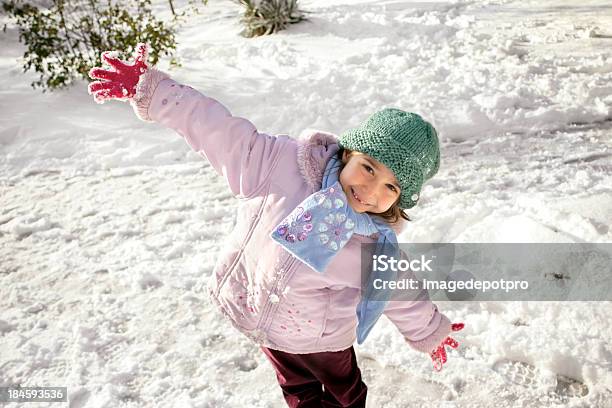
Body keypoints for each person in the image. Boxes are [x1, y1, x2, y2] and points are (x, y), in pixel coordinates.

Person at [88, 43, 465, 408]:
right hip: (263, 320)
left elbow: (400, 291)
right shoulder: (277, 164)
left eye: (391, 187)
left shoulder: (374, 243)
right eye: (368, 167)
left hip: (324, 340)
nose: (371, 189)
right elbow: (220, 132)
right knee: (298, 391)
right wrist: (155, 92)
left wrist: (430, 331)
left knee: (343, 395)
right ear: (348, 152)